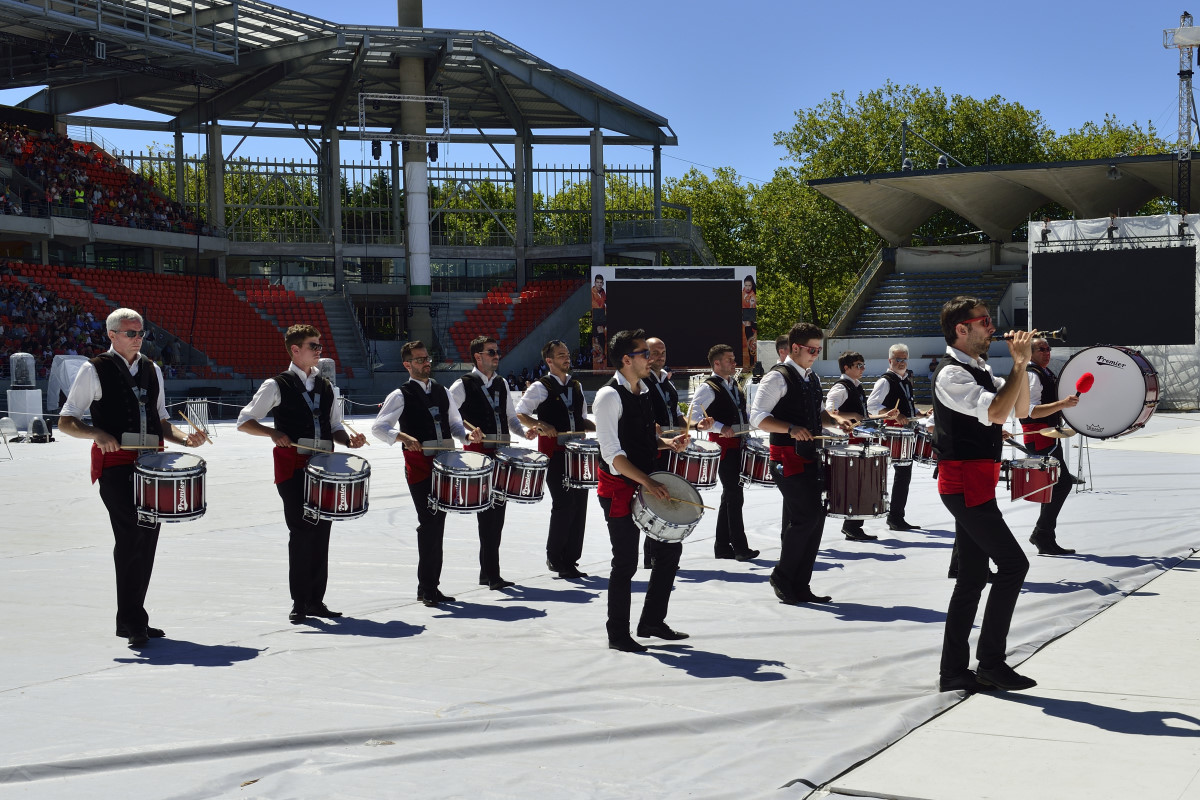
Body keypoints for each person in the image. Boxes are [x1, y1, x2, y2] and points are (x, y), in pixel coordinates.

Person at [59, 308, 208, 647]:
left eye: (140, 333)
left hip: (152, 467)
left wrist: (186, 439)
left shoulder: (153, 370)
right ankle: (133, 621)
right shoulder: (93, 369)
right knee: (130, 538)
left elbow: (160, 421)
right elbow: (67, 420)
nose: (138, 338)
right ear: (112, 335)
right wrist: (96, 434)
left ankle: (130, 618)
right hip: (115, 466)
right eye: (130, 333)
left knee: (147, 541)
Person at [933, 297, 1035, 693]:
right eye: (985, 322)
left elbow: (1020, 408)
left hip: (977, 483)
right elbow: (995, 414)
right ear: (962, 329)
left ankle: (955, 671)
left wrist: (1020, 367)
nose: (992, 328)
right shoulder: (950, 375)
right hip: (964, 484)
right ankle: (990, 662)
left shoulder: (981, 370)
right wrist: (1020, 364)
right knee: (1013, 566)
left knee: (972, 578)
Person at [237, 324, 367, 624]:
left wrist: (350, 440)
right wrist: (272, 433)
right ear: (295, 350)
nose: (319, 351)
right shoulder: (276, 384)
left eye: (319, 346)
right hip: (293, 469)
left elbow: (335, 427)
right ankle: (299, 602)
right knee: (301, 534)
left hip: (324, 469)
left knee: (322, 534)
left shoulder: (326, 386)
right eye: (313, 346)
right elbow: (245, 421)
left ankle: (316, 600)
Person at [594, 328, 691, 651]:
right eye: (644, 354)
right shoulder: (608, 396)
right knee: (625, 563)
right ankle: (618, 634)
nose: (650, 359)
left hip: (646, 483)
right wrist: (648, 481)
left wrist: (667, 442)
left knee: (669, 552)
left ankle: (651, 621)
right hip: (621, 487)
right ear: (626, 360)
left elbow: (643, 438)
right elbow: (612, 454)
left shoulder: (646, 389)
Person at [371, 340, 481, 607]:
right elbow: (378, 427)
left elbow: (455, 424)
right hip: (420, 467)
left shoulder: (443, 392)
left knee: (437, 524)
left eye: (427, 358)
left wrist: (467, 435)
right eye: (419, 359)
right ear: (407, 364)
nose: (426, 363)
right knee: (430, 523)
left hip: (445, 465)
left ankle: (429, 586)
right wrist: (402, 436)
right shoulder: (400, 394)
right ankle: (428, 587)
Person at [750, 322, 847, 605]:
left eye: (819, 349)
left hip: (810, 457)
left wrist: (835, 420)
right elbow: (757, 417)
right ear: (795, 348)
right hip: (785, 459)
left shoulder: (811, 377)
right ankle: (782, 576)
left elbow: (817, 413)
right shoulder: (777, 378)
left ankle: (800, 584)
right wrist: (790, 428)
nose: (816, 354)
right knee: (806, 518)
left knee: (815, 520)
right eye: (812, 349)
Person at [449, 336, 536, 590]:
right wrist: (467, 431)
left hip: (502, 455)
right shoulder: (462, 384)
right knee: (488, 516)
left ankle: (488, 572)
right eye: (491, 352)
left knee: (497, 515)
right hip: (479, 457)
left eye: (497, 352)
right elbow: (449, 415)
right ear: (478, 356)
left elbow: (511, 418)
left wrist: (524, 433)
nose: (497, 355)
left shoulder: (501, 383)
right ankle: (491, 573)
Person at [516, 338, 596, 579]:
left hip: (578, 454)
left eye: (567, 354)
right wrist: (540, 425)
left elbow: (582, 418)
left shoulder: (577, 386)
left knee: (580, 505)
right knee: (564, 505)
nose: (567, 358)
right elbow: (520, 413)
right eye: (561, 355)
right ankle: (555, 557)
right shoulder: (541, 387)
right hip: (556, 455)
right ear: (549, 361)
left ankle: (571, 559)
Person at [688, 344, 759, 561]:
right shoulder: (708, 388)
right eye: (729, 359)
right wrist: (720, 427)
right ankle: (739, 547)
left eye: (733, 358)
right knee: (734, 496)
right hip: (724, 448)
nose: (734, 362)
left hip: (739, 445)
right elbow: (693, 417)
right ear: (716, 363)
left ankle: (722, 546)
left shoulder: (734, 384)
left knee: (730, 496)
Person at [1017, 337, 1080, 556]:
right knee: (1061, 485)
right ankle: (1041, 533)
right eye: (1041, 349)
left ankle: (1045, 536)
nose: (1047, 352)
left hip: (1050, 437)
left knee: (1054, 487)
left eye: (1048, 348)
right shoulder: (1032, 374)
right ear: (1030, 352)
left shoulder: (1044, 372)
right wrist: (1063, 404)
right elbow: (1031, 410)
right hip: (1040, 437)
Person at [867, 343, 927, 532]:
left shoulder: (906, 379)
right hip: (891, 433)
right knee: (881, 476)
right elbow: (871, 405)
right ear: (890, 360)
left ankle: (896, 517)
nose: (901, 363)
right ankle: (858, 520)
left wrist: (920, 413)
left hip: (905, 432)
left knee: (903, 475)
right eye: (897, 360)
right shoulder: (885, 381)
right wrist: (892, 414)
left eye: (904, 359)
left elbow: (908, 407)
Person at [825, 350, 883, 541]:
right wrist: (850, 415)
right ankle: (851, 525)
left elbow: (863, 417)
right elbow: (829, 411)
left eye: (863, 364)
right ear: (846, 368)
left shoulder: (856, 386)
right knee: (855, 482)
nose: (862, 368)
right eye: (858, 365)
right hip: (849, 442)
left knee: (863, 481)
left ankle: (854, 525)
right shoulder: (841, 387)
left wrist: (884, 415)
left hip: (860, 439)